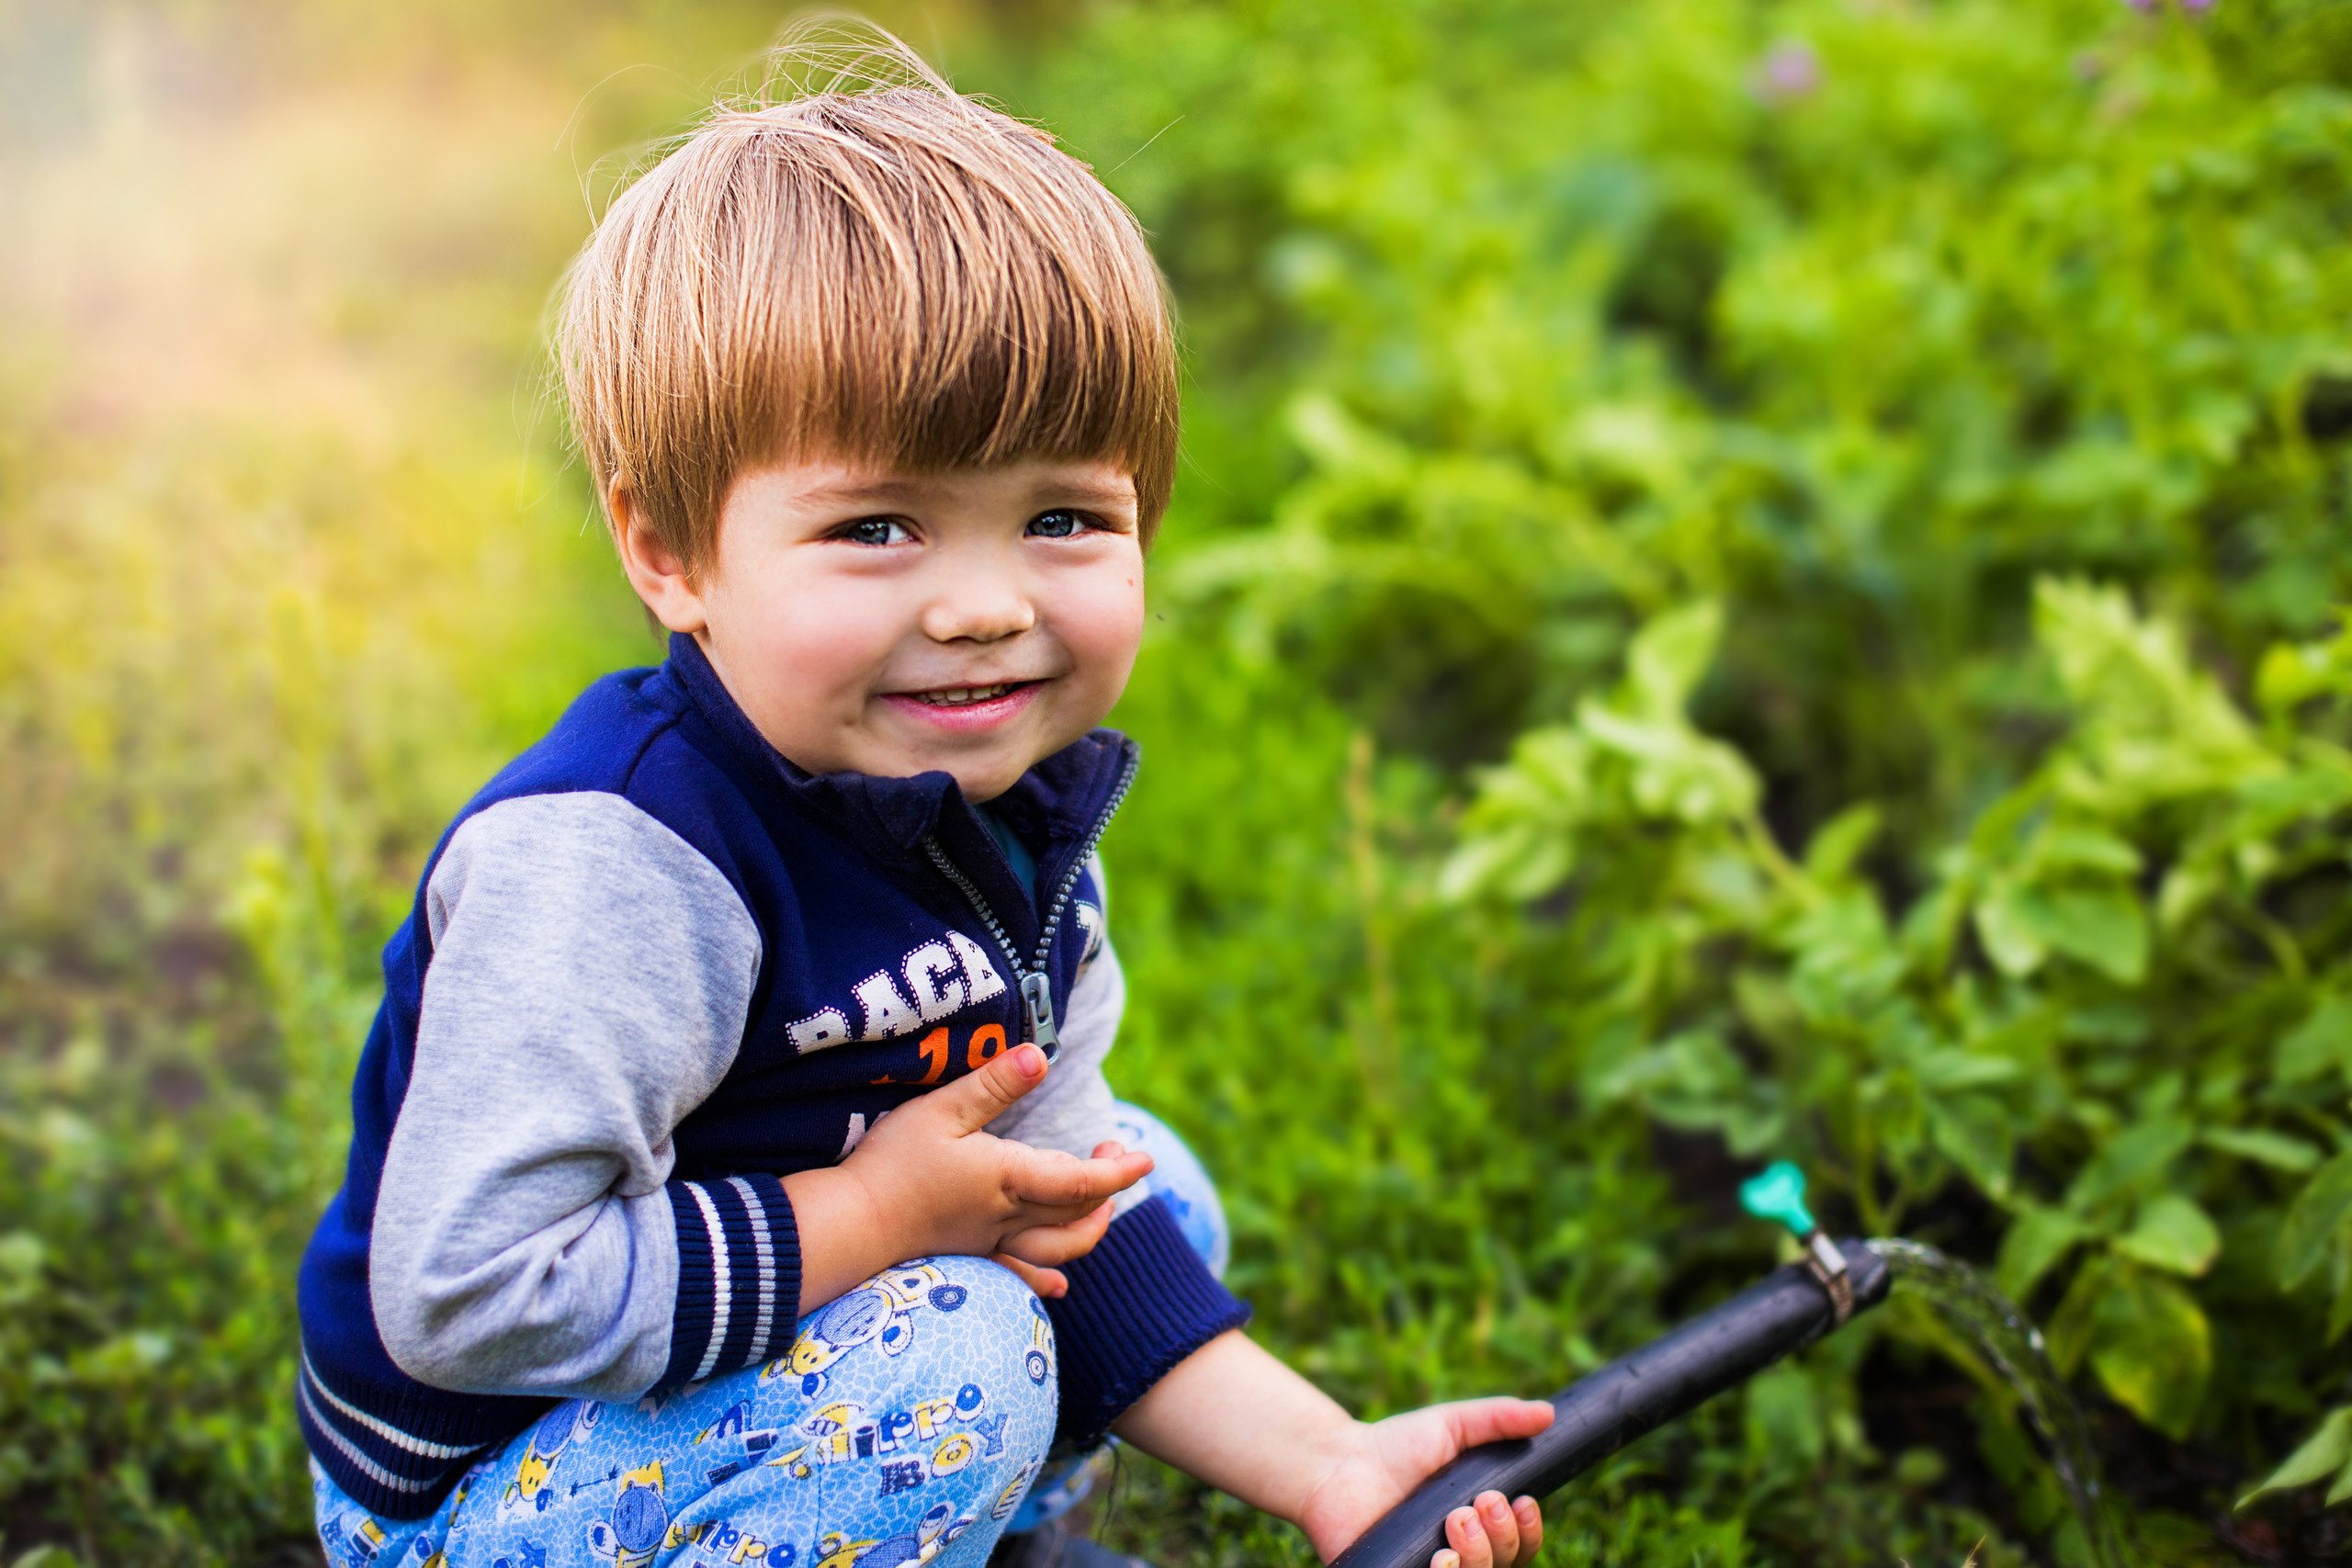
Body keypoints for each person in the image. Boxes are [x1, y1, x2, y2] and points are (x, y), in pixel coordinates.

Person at [296, 32, 1554, 1568]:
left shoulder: (1011, 822)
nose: (982, 607)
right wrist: (875, 1219)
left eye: (1061, 517)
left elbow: (1050, 1199)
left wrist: (1331, 1464)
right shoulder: (622, 866)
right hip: (490, 1485)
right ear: (671, 553)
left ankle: (968, 1533)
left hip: (755, 1358)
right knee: (957, 1342)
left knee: (1129, 1185)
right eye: (880, 527)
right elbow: (469, 1295)